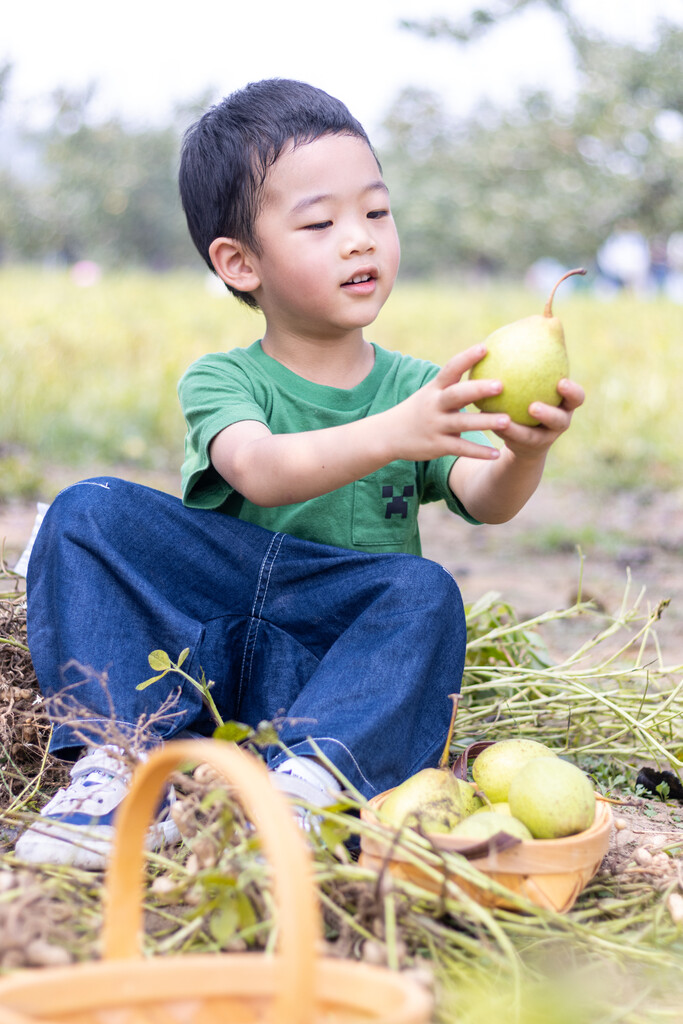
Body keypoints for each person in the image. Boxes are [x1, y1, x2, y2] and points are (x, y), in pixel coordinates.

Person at [16, 79, 584, 868]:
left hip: (323, 670)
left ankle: (304, 790)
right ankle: (122, 765)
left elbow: (483, 502)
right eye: (320, 222)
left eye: (376, 213)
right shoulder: (223, 379)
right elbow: (260, 470)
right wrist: (396, 431)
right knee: (88, 508)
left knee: (423, 595)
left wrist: (524, 449)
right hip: (200, 648)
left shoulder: (418, 388)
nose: (360, 239)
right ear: (240, 263)